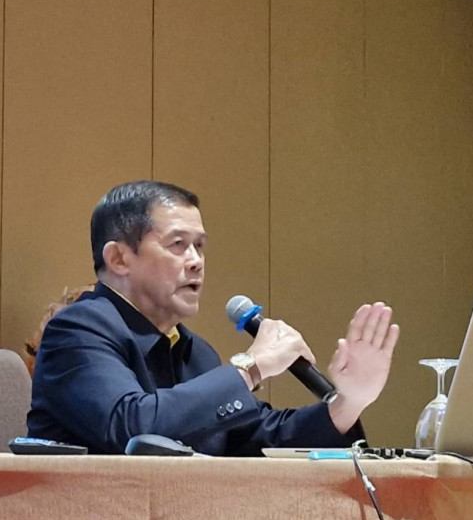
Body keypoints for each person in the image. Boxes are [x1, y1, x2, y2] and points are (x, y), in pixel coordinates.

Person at [27, 180, 399, 455]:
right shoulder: (77, 330)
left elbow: (258, 437)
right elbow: (132, 428)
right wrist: (252, 366)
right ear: (119, 258)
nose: (196, 261)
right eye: (178, 245)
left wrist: (348, 402)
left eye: (200, 246)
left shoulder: (196, 353)